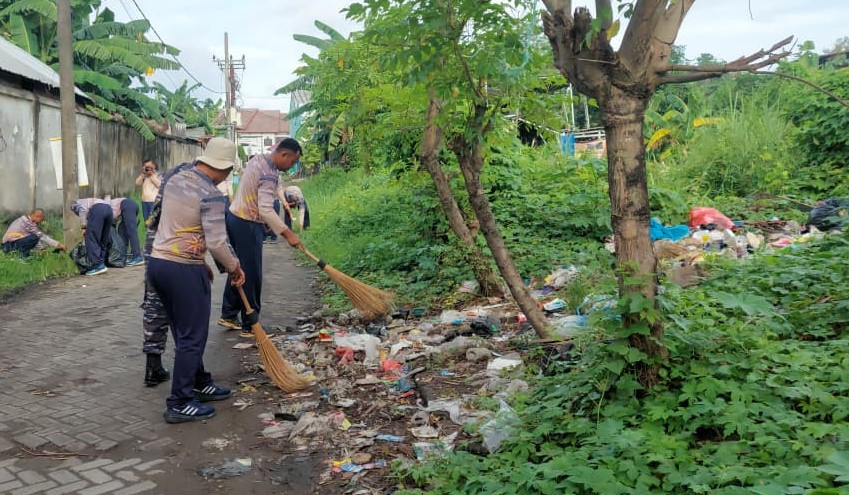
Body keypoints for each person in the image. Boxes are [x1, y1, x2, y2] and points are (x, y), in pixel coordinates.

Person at [147, 137, 246, 423]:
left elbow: (178, 225)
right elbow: (217, 242)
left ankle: (199, 381)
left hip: (159, 263)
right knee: (193, 336)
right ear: (226, 169)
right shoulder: (211, 193)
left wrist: (200, 261)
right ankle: (179, 402)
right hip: (182, 270)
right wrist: (235, 267)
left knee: (183, 331)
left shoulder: (176, 178)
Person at [218, 139, 302, 332]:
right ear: (284, 155)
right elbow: (265, 208)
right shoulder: (269, 174)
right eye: (292, 161)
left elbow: (255, 199)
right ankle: (251, 324)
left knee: (238, 268)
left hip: (234, 217)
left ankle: (229, 314)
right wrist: (288, 234)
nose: (291, 167)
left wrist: (262, 222)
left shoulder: (258, 160)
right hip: (246, 223)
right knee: (252, 274)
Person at [140, 161, 195, 387]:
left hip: (153, 252)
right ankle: (193, 370)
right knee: (186, 310)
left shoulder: (161, 202)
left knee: (154, 307)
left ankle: (153, 367)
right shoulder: (185, 195)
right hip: (174, 255)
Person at [70, 197, 113, 276]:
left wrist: (83, 228)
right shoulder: (88, 201)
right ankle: (102, 262)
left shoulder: (74, 204)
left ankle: (98, 265)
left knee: (90, 238)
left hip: (98, 210)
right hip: (109, 210)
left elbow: (82, 211)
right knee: (102, 239)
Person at [108, 197, 144, 266]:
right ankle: (122, 256)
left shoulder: (105, 206)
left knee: (132, 232)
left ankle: (138, 257)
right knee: (122, 232)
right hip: (128, 206)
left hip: (127, 205)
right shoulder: (106, 205)